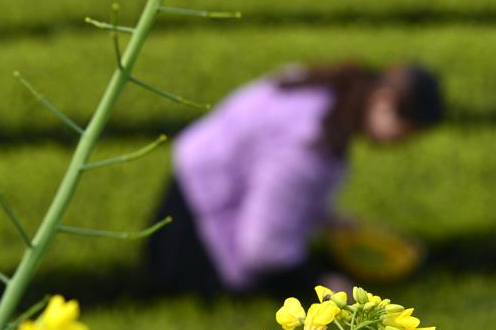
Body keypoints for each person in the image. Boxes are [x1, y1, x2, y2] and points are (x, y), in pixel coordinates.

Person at [146, 63, 443, 295]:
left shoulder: (331, 90)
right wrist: (323, 284)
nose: (399, 144)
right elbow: (263, 248)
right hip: (198, 229)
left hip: (194, 185)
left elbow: (277, 182)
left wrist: (325, 218)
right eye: (404, 133)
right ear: (383, 101)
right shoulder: (307, 140)